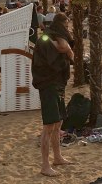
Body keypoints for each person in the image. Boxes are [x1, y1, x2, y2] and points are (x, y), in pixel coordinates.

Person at [31, 13, 74, 177]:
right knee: (49, 126)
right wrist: (69, 51)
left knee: (58, 123)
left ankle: (57, 157)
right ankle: (45, 165)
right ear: (62, 25)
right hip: (48, 84)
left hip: (58, 83)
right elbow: (63, 47)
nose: (68, 28)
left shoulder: (53, 37)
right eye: (67, 25)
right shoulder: (47, 38)